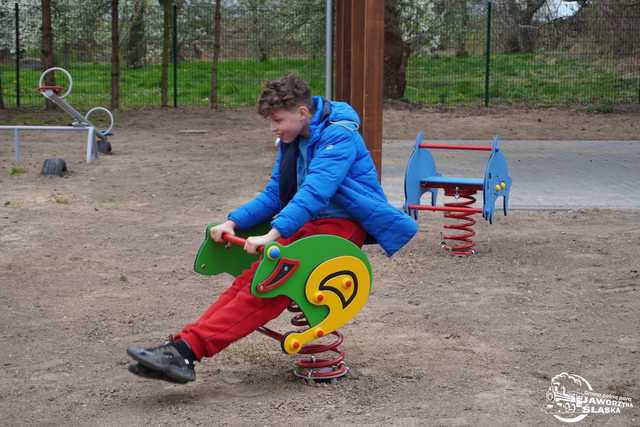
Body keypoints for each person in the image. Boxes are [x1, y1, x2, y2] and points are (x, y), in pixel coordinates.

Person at [126, 73, 418, 384]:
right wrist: (233, 221)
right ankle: (182, 347)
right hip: (309, 223)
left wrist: (272, 234)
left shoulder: (339, 136)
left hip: (340, 228)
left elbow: (315, 191)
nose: (273, 128)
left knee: (269, 285)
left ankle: (189, 349)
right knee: (249, 281)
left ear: (302, 113)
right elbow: (275, 193)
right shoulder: (294, 140)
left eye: (278, 120)